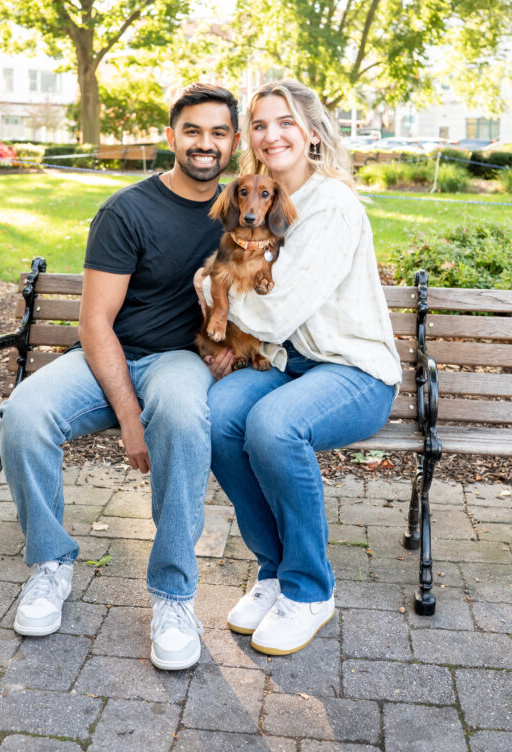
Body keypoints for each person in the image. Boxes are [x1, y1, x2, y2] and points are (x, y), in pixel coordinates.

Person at [0, 83, 240, 670]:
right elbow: (96, 321)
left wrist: (230, 342)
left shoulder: (241, 213)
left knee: (185, 417)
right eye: (192, 130)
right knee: (25, 414)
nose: (204, 144)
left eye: (217, 132)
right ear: (171, 137)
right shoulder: (127, 210)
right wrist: (130, 417)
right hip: (107, 354)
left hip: (177, 361)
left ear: (233, 142)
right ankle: (50, 564)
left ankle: (174, 596)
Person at [201, 79, 402, 656]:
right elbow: (228, 281)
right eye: (260, 124)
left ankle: (310, 590)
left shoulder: (332, 206)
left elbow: (273, 309)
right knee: (217, 415)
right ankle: (274, 572)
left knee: (273, 426)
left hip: (353, 371)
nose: (272, 134)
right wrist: (213, 283)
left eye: (285, 121)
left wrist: (209, 285)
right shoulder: (255, 204)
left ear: (311, 133)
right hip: (292, 364)